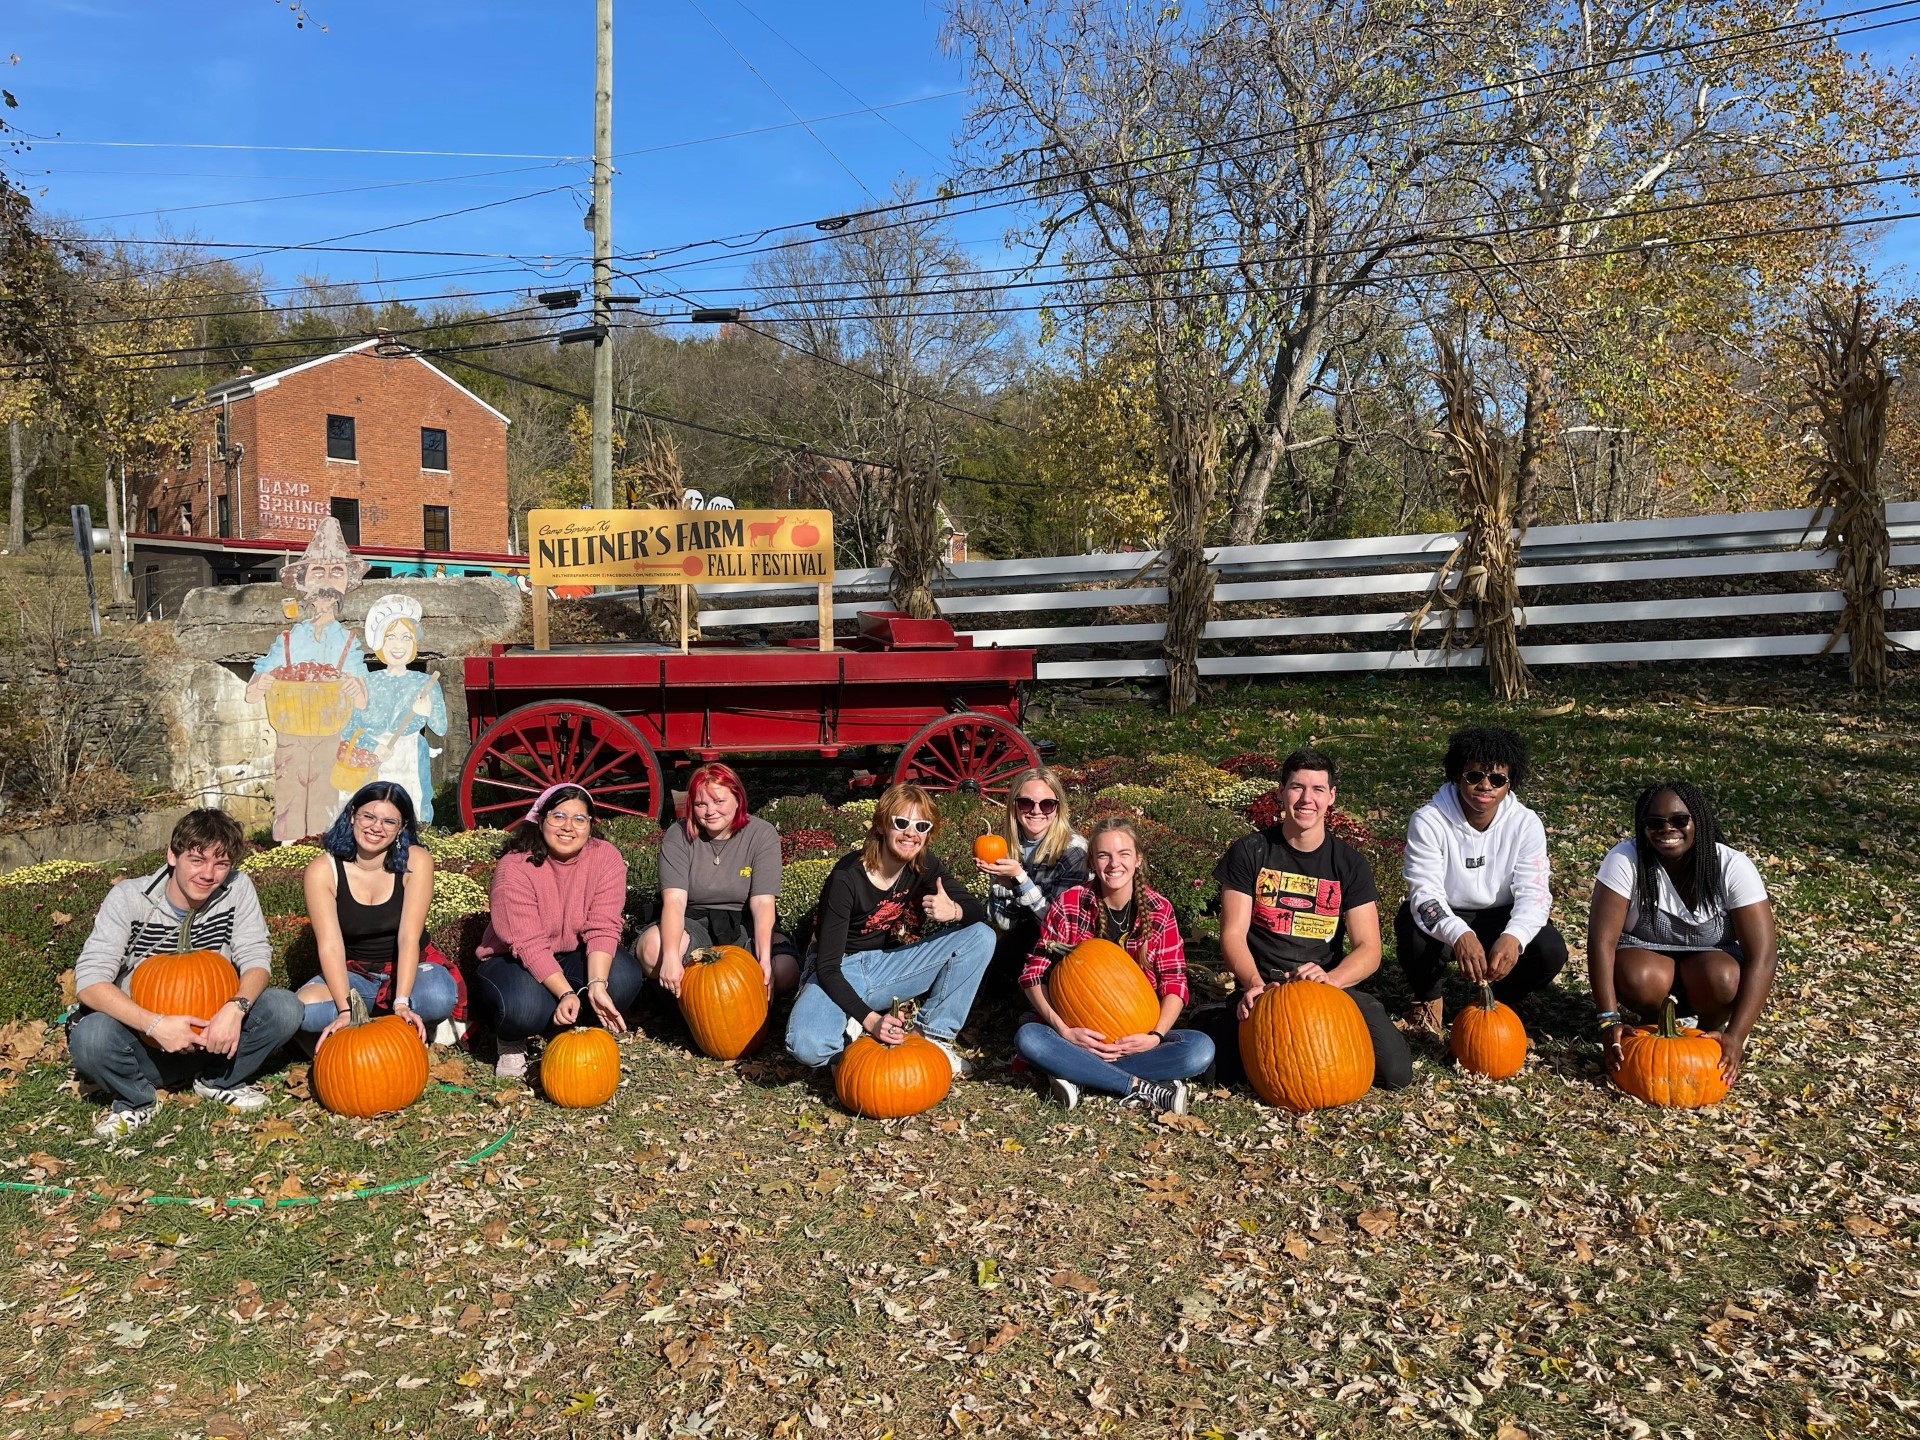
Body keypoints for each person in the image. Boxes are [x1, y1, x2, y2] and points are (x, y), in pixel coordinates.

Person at [67, 809, 303, 1138]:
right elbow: (90, 982)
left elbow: (256, 958)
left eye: (221, 864)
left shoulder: (237, 889)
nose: (208, 874)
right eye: (197, 860)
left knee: (286, 1007)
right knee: (91, 1037)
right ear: (172, 856)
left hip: (218, 1038)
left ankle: (218, 1080)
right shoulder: (130, 898)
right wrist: (155, 1024)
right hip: (145, 1044)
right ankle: (137, 1100)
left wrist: (236, 1008)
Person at [1202, 747, 1412, 1091]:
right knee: (1218, 1074)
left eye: (1317, 789)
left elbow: (1369, 948)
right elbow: (1232, 934)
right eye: (1297, 787)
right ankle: (1213, 1014)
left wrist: (1333, 979)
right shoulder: (1251, 851)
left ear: (1331, 797)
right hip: (1264, 986)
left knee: (1395, 1073)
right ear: (1281, 792)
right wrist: (1253, 983)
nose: (1306, 799)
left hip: (1326, 987)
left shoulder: (1349, 864)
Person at [784, 783, 995, 1077]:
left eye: (921, 825)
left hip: (886, 965)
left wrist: (955, 911)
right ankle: (853, 1032)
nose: (911, 833)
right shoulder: (846, 879)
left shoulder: (922, 863)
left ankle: (930, 1037)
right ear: (882, 825)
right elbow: (828, 967)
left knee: (981, 936)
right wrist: (871, 1021)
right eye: (902, 822)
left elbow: (976, 909)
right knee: (807, 1046)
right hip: (840, 968)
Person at [1014, 818, 1213, 1114]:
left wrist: (1155, 1037)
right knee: (1030, 1038)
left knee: (1200, 1049)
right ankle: (1138, 1085)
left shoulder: (1159, 910)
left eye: (1123, 854)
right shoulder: (1070, 904)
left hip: (1139, 1036)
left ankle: (1078, 1074)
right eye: (1104, 855)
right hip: (1078, 1037)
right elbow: (1033, 975)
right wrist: (1065, 1031)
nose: (1114, 864)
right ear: (1092, 861)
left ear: (1138, 859)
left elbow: (1174, 981)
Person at [1588, 780, 1778, 1087]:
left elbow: (1764, 955)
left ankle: (1711, 1029)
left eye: (1679, 820)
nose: (1667, 829)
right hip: (1649, 967)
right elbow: (1601, 943)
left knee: (1724, 977)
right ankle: (1655, 1025)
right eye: (1654, 822)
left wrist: (1736, 1035)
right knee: (1637, 975)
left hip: (1709, 972)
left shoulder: (1731, 866)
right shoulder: (1626, 858)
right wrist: (1608, 1021)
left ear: (1698, 821)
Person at [1396, 726, 1568, 1030]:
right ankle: (1428, 1000)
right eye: (1474, 776)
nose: (1485, 786)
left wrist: (1514, 936)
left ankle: (1499, 1002)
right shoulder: (1428, 821)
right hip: (1449, 910)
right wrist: (1458, 934)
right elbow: (1424, 893)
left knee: (1549, 950)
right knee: (1412, 932)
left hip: (1502, 913)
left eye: (1497, 779)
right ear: (1457, 775)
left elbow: (1535, 893)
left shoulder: (1526, 823)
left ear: (1510, 783)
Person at [472, 784, 644, 1078]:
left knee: (624, 978)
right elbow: (527, 943)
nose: (568, 827)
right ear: (540, 820)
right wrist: (564, 990)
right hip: (514, 959)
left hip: (574, 954)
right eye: (558, 816)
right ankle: (513, 1037)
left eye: (579, 819)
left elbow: (603, 925)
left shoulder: (605, 857)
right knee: (525, 1009)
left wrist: (598, 984)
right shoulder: (515, 866)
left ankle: (572, 1019)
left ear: (590, 825)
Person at [295, 781, 463, 1048]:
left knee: (437, 996)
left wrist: (402, 1001)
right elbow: (330, 946)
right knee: (306, 1010)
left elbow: (409, 937)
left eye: (389, 822)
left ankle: (406, 1016)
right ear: (352, 815)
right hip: (355, 972)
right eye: (368, 816)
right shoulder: (323, 870)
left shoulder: (416, 861)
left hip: (410, 967)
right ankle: (368, 1024)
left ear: (401, 828)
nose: (376, 827)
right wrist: (346, 1010)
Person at [244, 518, 371, 843]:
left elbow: (362, 698)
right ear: (303, 583)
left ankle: (320, 844)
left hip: (330, 730)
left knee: (325, 791)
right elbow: (254, 689)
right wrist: (262, 682)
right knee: (289, 785)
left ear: (347, 583)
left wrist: (356, 687)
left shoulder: (347, 641)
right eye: (318, 573)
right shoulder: (288, 640)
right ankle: (288, 847)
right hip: (290, 728)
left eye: (336, 573)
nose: (326, 583)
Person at [639, 762, 799, 1001]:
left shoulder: (761, 834)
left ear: (738, 800)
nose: (710, 811)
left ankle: (739, 1004)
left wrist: (764, 959)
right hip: (692, 921)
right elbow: (674, 901)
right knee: (653, 950)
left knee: (783, 968)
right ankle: (688, 1001)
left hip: (742, 923)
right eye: (701, 804)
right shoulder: (678, 835)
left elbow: (763, 903)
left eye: (719, 801)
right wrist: (671, 956)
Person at [977, 766, 1087, 989]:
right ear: (1014, 806)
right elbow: (1005, 923)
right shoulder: (1003, 847)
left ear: (1057, 809)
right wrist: (1004, 884)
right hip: (1024, 938)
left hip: (1067, 949)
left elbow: (1061, 928)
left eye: (1047, 804)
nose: (1036, 811)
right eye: (1026, 803)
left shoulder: (1073, 851)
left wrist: (1020, 879)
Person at [345, 594, 448, 824]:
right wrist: (374, 747)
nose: (398, 646)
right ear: (379, 642)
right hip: (372, 761)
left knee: (410, 813)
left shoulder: (426, 682)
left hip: (410, 760)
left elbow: (440, 728)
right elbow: (348, 729)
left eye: (406, 637)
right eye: (390, 637)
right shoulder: (367, 682)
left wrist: (427, 711)